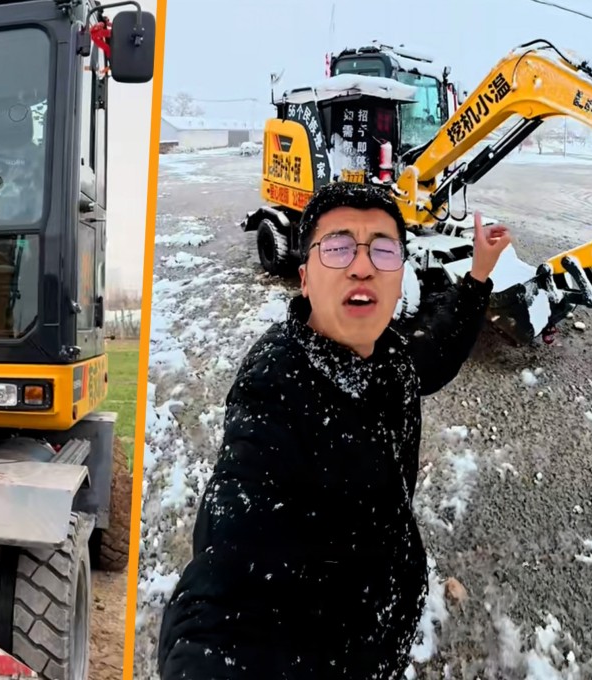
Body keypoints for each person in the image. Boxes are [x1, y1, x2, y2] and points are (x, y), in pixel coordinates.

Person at [156, 182, 511, 679]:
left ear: (400, 276)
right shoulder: (274, 389)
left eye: (382, 250)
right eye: (339, 247)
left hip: (383, 635)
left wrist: (477, 276)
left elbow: (436, 352)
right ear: (304, 278)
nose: (362, 265)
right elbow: (227, 585)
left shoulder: (388, 354)